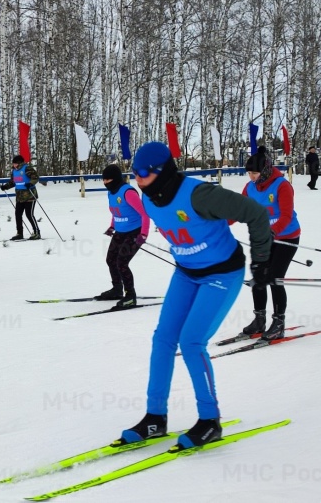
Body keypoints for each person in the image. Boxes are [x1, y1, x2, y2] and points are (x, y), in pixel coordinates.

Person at [118, 142, 271, 450]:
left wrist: (261, 261)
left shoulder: (200, 195)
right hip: (186, 273)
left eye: (143, 173)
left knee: (191, 342)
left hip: (222, 274)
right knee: (163, 339)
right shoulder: (148, 199)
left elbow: (255, 213)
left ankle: (209, 420)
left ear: (161, 172)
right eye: (134, 172)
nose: (137, 178)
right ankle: (155, 417)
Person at [239, 147, 301, 340]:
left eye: (254, 173)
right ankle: (259, 319)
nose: (251, 177)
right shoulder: (250, 188)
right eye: (248, 173)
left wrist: (270, 232)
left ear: (264, 170)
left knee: (275, 277)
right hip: (265, 238)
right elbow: (239, 209)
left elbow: (286, 215)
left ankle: (279, 323)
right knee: (258, 276)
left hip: (287, 237)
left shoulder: (282, 185)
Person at [94, 164, 150, 308]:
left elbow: (144, 214)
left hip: (135, 231)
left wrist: (143, 234)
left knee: (122, 263)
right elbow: (115, 211)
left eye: (108, 179)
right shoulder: (111, 193)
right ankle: (117, 289)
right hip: (121, 231)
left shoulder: (128, 193)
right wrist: (112, 226)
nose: (105, 182)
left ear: (116, 178)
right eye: (103, 179)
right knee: (111, 259)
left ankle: (130, 296)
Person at [0, 155, 41, 240]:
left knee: (29, 214)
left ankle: (36, 232)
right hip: (19, 196)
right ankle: (19, 233)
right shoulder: (14, 171)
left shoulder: (27, 168)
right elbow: (13, 182)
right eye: (13, 163)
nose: (14, 165)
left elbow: (35, 177)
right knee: (18, 214)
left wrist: (30, 183)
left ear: (19, 163)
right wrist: (5, 187)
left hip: (30, 195)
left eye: (15, 163)